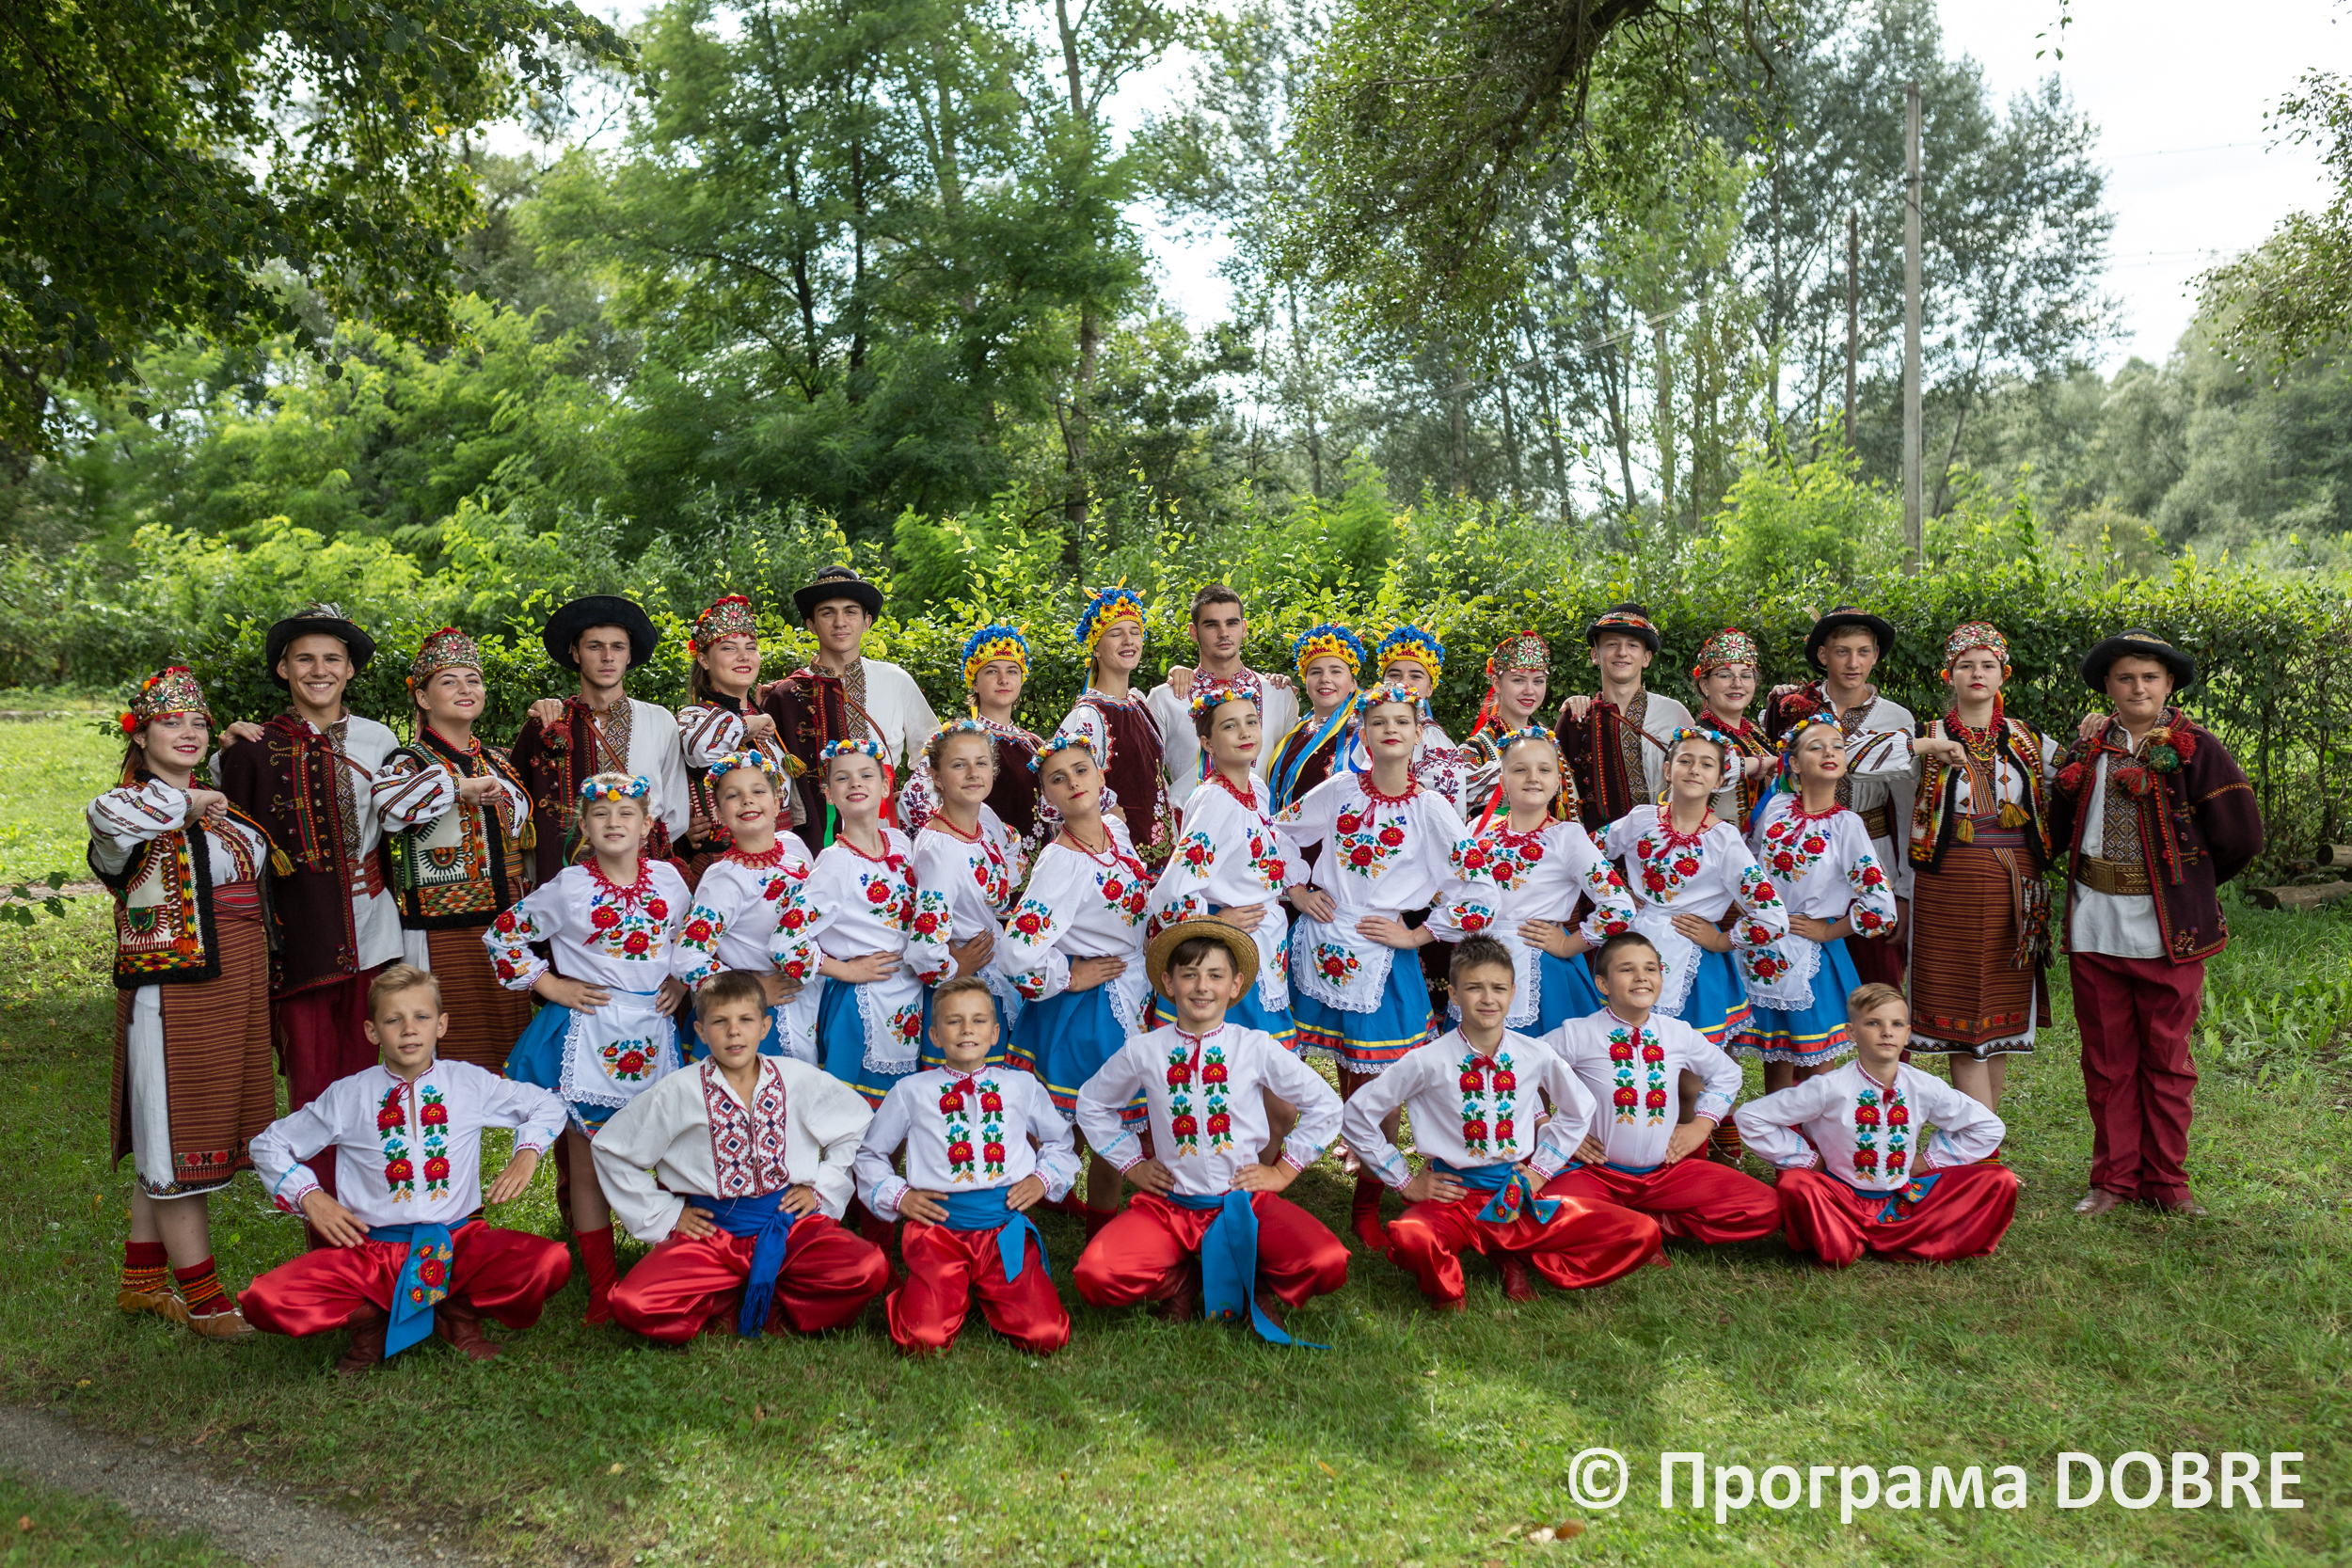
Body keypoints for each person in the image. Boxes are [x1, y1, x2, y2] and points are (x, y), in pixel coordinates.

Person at [241, 965, 572, 1370]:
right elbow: (268, 1144)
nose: (409, 1030)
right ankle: (372, 1324)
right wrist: (310, 1196)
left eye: (421, 1017)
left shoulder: (468, 1083)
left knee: (548, 1262)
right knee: (265, 1299)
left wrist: (528, 1151)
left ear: (441, 1025)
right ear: (372, 1032)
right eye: (393, 1020)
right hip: (371, 1252)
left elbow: (547, 1104)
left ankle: (458, 1316)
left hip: (457, 1243)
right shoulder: (349, 1095)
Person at [92, 666, 283, 1339]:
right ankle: (206, 1303)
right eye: (170, 722)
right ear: (140, 736)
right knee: (176, 1136)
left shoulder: (217, 804)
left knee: (168, 1134)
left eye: (198, 722)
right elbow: (114, 819)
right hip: (173, 991)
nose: (188, 732)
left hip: (234, 982)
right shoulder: (124, 809)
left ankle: (143, 1281)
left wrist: (215, 782)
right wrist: (194, 799)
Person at [2049, 628, 2263, 1218]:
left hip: (2168, 932)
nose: (2138, 687)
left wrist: (2188, 884)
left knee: (2167, 1059)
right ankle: (2113, 1180)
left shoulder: (2197, 749)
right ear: (2108, 686)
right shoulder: (2089, 749)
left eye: (2149, 677)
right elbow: (2057, 825)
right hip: (2095, 925)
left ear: (2169, 684)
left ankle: (2168, 1182)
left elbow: (2242, 837)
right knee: (2107, 1061)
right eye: (2125, 677)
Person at [1278, 682, 1491, 1250]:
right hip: (1321, 943)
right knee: (1318, 1068)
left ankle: (1367, 1203)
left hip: (1382, 955)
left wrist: (1417, 933)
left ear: (1420, 733)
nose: (1390, 729)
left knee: (1384, 1080)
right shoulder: (1339, 789)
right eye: (1378, 722)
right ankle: (1276, 1178)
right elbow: (1279, 832)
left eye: (1401, 721)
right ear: (1363, 734)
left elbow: (1477, 886)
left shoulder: (1431, 808)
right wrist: (1297, 890)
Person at [1343, 936, 1662, 1308]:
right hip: (1453, 1196)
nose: (1487, 999)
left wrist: (1541, 1171)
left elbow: (1579, 1109)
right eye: (1473, 988)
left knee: (1640, 1231)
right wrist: (1405, 1180)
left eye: (1498, 988)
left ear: (1513, 993)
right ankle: (1454, 1287)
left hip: (1517, 1194)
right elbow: (1358, 1114)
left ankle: (1520, 1252)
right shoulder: (1426, 1060)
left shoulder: (1535, 1054)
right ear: (1454, 994)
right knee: (1411, 1237)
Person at [1072, 921, 1348, 1341]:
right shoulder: (1145, 1050)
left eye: (1215, 975)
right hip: (1171, 1205)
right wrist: (1133, 1165)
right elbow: (1092, 1103)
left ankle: (1252, 1277)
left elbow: (1325, 1105)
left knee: (1327, 1262)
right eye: (1189, 975)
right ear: (1169, 983)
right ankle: (1180, 1281)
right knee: (1097, 1275)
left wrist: (1283, 1171)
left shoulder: (1254, 1047)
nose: (1202, 987)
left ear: (1235, 985)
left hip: (1245, 1203)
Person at [490, 771, 692, 1323]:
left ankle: (673, 1266)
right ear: (584, 825)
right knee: (587, 1161)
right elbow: (504, 934)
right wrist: (551, 986)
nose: (613, 822)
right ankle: (602, 1286)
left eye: (627, 813)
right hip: (590, 1033)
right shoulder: (569, 887)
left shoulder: (671, 881)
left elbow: (690, 938)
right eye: (600, 814)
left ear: (647, 825)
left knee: (668, 1149)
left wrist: (680, 981)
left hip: (653, 1031)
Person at [594, 970, 892, 1341]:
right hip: (711, 1232)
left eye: (746, 1020)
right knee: (634, 1303)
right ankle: (724, 1299)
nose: (734, 1032)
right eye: (720, 1022)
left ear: (765, 1027)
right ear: (701, 1031)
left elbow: (856, 1122)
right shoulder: (678, 1091)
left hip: (788, 1224)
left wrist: (821, 1188)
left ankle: (777, 1299)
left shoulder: (796, 1078)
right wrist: (668, 1214)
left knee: (868, 1267)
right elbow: (612, 1149)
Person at [215, 603, 404, 1179]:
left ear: (350, 670)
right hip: (299, 938)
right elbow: (229, 838)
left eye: (332, 659)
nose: (319, 670)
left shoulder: (378, 739)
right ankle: (320, 1207)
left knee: (372, 1072)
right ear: (283, 669)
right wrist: (223, 751)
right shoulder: (251, 747)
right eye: (304, 659)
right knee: (313, 1080)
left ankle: (374, 1196)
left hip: (374, 927)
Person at [853, 975, 1079, 1356]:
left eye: (978, 1020)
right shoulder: (911, 1091)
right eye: (954, 1021)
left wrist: (1043, 1180)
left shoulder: (1021, 1086)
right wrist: (900, 1196)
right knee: (921, 1340)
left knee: (1046, 1336)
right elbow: (869, 1154)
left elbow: (1060, 1141)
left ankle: (989, 1290)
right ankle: (933, 1291)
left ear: (995, 1033)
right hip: (939, 1231)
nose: (967, 1029)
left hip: (1004, 1229)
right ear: (935, 1035)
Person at [1736, 985, 2019, 1268]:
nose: (1887, 1032)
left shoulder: (1924, 1086)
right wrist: (1808, 1159)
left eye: (1897, 1024)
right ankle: (1851, 1237)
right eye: (1873, 1023)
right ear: (1851, 1032)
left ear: (1907, 1034)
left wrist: (1929, 1161)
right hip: (1838, 1197)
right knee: (1796, 1183)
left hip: (1903, 1196)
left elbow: (1988, 1127)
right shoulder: (1829, 1087)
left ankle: (1887, 1236)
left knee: (1998, 1181)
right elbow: (1751, 1117)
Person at [996, 730, 1152, 1234]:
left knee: (1102, 1116)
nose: (1073, 783)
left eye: (1081, 770)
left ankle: (1081, 1209)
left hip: (1131, 987)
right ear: (1047, 796)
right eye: (1057, 779)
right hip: (1090, 1005)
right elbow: (1016, 952)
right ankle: (1080, 1219)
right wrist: (1070, 975)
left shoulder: (1114, 831)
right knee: (1105, 1119)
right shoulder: (1061, 861)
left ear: (1101, 774)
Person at [1905, 622, 2059, 1112]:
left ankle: (1983, 1136)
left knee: (1999, 1013)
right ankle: (1982, 1143)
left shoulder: (2029, 740)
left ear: (2003, 675)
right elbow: (1855, 757)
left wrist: (2099, 725)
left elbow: (2079, 774)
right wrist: (1925, 747)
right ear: (1948, 675)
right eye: (1966, 665)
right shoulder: (1926, 735)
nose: (1977, 673)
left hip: (2017, 885)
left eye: (1987, 665)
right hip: (1950, 885)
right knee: (1960, 1012)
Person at [1542, 933, 1781, 1243]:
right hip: (1596, 1173)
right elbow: (1520, 1071)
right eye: (1627, 969)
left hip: (1665, 1174)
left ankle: (1645, 1224)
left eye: (1650, 968)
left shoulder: (1677, 1033)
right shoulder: (1578, 1034)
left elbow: (1728, 1074)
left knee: (1765, 1206)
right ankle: (1630, 1223)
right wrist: (1551, 1127)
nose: (1641, 977)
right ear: (1603, 984)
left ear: (1661, 978)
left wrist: (1702, 1125)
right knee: (1546, 1211)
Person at [371, 627, 535, 1071]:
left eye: (473, 680)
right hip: (439, 928)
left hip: (503, 920)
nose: (465, 689)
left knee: (509, 1050)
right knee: (442, 1049)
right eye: (449, 681)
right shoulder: (409, 762)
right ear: (423, 698)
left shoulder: (499, 761)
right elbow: (389, 808)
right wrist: (460, 787)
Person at [1425, 725, 1636, 1036]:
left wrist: (1567, 945)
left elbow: (1619, 907)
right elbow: (1445, 889)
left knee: (1544, 1058)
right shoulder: (1477, 829)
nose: (1533, 777)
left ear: (1557, 782)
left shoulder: (1567, 838)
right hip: (1477, 963)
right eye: (1520, 769)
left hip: (1542, 971)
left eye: (1544, 770)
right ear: (1502, 780)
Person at [1603, 728, 1790, 1051]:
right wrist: (1619, 892)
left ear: (1719, 780)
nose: (1694, 770)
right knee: (1632, 1052)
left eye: (1706, 764)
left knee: (1695, 1063)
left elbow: (1773, 917)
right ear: (1667, 769)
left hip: (1696, 962)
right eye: (1685, 761)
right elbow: (1586, 854)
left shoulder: (1724, 840)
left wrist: (1720, 940)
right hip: (1634, 945)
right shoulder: (1641, 820)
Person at [1740, 716, 1899, 1087]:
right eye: (1816, 747)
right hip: (1764, 950)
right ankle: (1776, 1124)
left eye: (1837, 747)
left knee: (1816, 1069)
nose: (1830, 752)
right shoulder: (1775, 808)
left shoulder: (1846, 825)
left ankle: (1818, 1124)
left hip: (1813, 957)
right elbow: (1746, 864)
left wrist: (1829, 931)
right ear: (1794, 763)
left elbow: (1880, 905)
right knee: (1775, 1058)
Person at [1764, 608, 1916, 989]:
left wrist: (1902, 892)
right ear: (1823, 655)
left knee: (1876, 980)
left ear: (1876, 655)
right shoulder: (1793, 708)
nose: (1853, 663)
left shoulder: (1897, 719)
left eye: (1864, 652)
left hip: (1874, 855)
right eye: (1842, 651)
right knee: (1805, 977)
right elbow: (1777, 785)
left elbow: (1907, 809)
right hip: (1804, 865)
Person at [799, 738, 954, 1108]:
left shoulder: (899, 842)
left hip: (911, 993)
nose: (855, 783)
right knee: (855, 1115)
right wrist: (845, 971)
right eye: (842, 778)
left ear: (885, 786)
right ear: (829, 795)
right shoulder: (834, 863)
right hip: (863, 1002)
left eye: (866, 775)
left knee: (904, 1111)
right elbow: (785, 942)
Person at [1147, 677, 1302, 1048]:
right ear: (1207, 743)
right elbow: (1173, 890)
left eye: (1251, 721)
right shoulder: (1215, 800)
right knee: (1233, 1061)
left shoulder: (1256, 789)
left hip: (1263, 943)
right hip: (1229, 949)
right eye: (1230, 726)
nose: (1245, 732)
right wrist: (1215, 923)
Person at [511, 595, 691, 881]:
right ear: (576, 653)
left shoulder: (659, 720)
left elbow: (675, 812)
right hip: (567, 877)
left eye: (618, 647)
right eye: (595, 646)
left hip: (644, 875)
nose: (608, 656)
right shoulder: (548, 725)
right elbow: (518, 812)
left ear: (629, 655)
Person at [760, 566, 939, 852]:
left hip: (885, 832)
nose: (840, 622)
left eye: (850, 611)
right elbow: (769, 777)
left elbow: (932, 755)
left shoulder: (895, 680)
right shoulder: (787, 695)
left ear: (867, 622)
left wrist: (909, 806)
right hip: (812, 839)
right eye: (827, 613)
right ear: (811, 624)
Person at [670, 750, 820, 1064]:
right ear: (719, 813)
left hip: (812, 996)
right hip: (759, 1013)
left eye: (758, 791)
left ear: (777, 802)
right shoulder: (725, 879)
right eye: (733, 795)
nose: (747, 801)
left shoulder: (794, 848)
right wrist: (753, 990)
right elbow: (687, 958)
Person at [906, 718, 1027, 1048]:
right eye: (959, 765)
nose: (973, 773)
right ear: (936, 777)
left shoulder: (983, 818)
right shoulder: (941, 851)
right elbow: (923, 948)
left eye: (981, 763)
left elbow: (1010, 847)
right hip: (965, 990)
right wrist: (957, 967)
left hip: (995, 967)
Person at [675, 594, 802, 881]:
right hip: (725, 867)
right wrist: (748, 725)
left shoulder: (763, 718)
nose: (743, 656)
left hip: (780, 862)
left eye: (750, 648)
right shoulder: (694, 717)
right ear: (704, 659)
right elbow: (702, 749)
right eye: (729, 648)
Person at [898, 625, 1048, 854]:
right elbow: (915, 803)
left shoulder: (1035, 744)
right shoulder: (957, 741)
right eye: (991, 671)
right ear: (974, 683)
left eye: (1012, 671)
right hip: (981, 866)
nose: (1003, 679)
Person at [1058, 584, 1174, 868]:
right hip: (1120, 860)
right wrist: (1108, 813)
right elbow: (1069, 784)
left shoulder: (1139, 704)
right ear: (1096, 648)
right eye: (1115, 633)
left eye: (1135, 631)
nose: (1128, 640)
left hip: (1162, 855)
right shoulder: (1089, 715)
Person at [1555, 603, 1697, 834]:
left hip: (1666, 846)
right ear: (1595, 655)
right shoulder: (1576, 720)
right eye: (1612, 644)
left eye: (1632, 645)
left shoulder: (1675, 714)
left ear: (1646, 658)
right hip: (1594, 852)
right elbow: (1558, 798)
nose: (1622, 652)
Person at [1148, 584, 1300, 790]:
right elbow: (1146, 772)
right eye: (1211, 625)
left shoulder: (1278, 694)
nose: (1223, 633)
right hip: (1188, 811)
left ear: (1244, 628)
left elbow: (1290, 774)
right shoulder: (1165, 698)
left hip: (1261, 810)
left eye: (1231, 623)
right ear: (1193, 632)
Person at [1457, 631, 1575, 826]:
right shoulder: (1474, 751)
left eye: (1538, 681)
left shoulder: (1549, 741)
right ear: (1497, 684)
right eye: (1518, 680)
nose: (1529, 690)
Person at [1265, 624, 1366, 827]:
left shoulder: (1364, 734)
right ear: (1305, 681)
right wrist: (1272, 690)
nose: (1325, 679)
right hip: (1285, 841)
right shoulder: (1295, 731)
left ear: (1353, 683)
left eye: (1336, 671)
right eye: (1315, 672)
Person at [1689, 627, 1776, 826]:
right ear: (1705, 685)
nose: (1737, 684)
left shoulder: (1754, 731)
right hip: (1714, 841)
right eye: (1725, 675)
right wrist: (1760, 764)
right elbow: (1709, 771)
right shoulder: (1698, 736)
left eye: (1746, 676)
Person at [1371, 625, 1466, 802]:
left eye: (1415, 676)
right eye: (1394, 675)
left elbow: (1441, 805)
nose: (1403, 683)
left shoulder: (1431, 738)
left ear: (1430, 689)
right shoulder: (1366, 728)